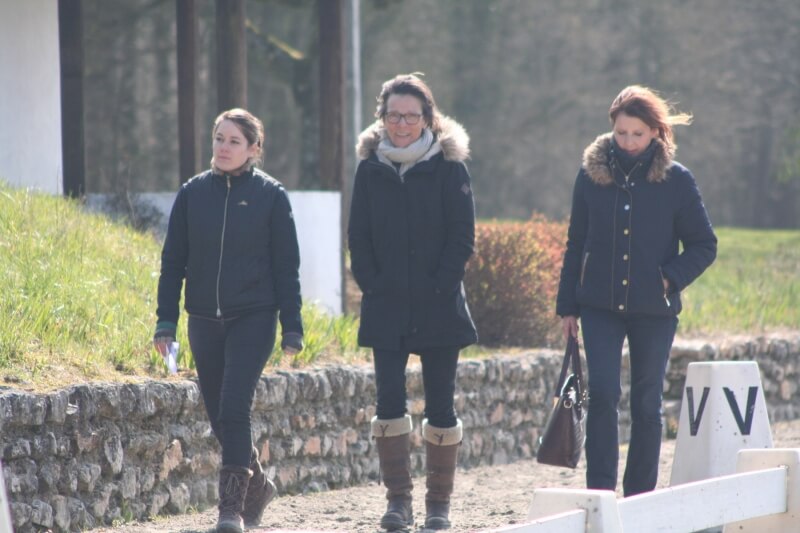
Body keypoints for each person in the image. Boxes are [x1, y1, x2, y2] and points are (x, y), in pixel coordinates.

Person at [556, 85, 717, 496]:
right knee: (603, 394)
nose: (627, 142)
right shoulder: (590, 176)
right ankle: (600, 495)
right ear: (612, 128)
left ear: (656, 133)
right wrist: (567, 307)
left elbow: (704, 245)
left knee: (646, 403)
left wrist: (668, 278)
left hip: (655, 310)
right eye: (621, 133)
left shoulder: (678, 181)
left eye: (637, 134)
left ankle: (640, 497)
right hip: (598, 306)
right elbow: (576, 242)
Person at [153, 108, 304, 533]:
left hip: (254, 317)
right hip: (203, 319)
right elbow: (173, 263)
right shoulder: (192, 193)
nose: (223, 147)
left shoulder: (271, 196)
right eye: (219, 138)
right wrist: (165, 322)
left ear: (254, 149)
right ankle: (259, 487)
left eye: (234, 141)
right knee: (219, 416)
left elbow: (286, 267)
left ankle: (230, 511)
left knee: (235, 407)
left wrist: (292, 325)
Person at [348, 73, 478, 531]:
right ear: (382, 118)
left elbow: (462, 238)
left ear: (427, 118)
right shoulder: (369, 169)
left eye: (411, 116)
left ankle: (438, 505)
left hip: (439, 305)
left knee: (441, 406)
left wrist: (440, 287)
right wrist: (373, 284)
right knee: (388, 403)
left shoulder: (450, 168)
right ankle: (398, 502)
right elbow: (358, 236)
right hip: (386, 304)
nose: (401, 124)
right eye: (393, 116)